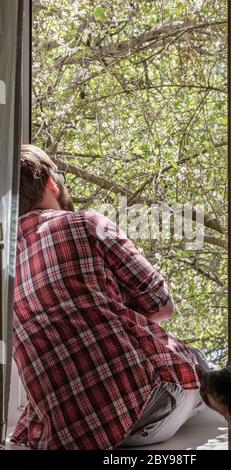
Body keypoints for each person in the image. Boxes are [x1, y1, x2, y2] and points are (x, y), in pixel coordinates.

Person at [11, 145, 211, 450]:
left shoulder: (7, 264)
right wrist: (114, 308)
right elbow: (162, 304)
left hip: (68, 432)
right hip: (142, 410)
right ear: (52, 182)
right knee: (199, 362)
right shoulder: (85, 224)